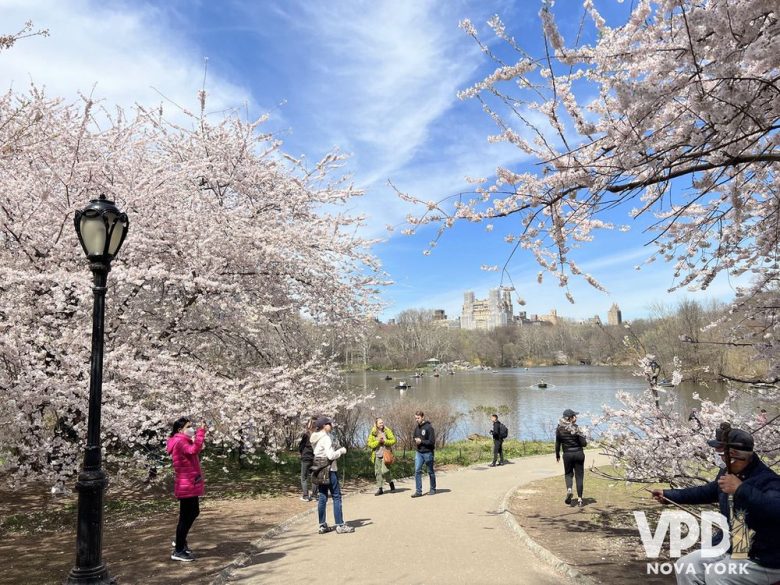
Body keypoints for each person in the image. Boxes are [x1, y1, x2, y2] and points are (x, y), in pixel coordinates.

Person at [651, 426, 780, 585]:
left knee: (717, 575)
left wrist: (741, 489)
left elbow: (775, 510)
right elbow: (707, 491)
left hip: (765, 558)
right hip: (732, 548)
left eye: (720, 453)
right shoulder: (728, 473)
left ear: (733, 455)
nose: (720, 458)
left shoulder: (769, 481)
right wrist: (668, 495)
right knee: (686, 566)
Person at [166, 416, 206, 562]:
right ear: (180, 429)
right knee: (185, 517)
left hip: (189, 483)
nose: (191, 428)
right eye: (188, 426)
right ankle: (178, 550)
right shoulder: (180, 441)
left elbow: (193, 450)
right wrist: (201, 432)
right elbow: (194, 450)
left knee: (194, 512)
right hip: (186, 484)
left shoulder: (182, 440)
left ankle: (180, 541)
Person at [310, 417, 354, 534]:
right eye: (329, 423)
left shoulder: (315, 438)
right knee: (336, 496)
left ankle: (322, 525)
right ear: (324, 425)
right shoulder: (326, 438)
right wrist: (341, 451)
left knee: (322, 496)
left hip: (319, 471)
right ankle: (340, 524)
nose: (331, 425)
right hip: (330, 470)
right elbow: (330, 456)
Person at [555, 408, 587, 508]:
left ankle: (569, 489)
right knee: (579, 476)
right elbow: (584, 444)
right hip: (579, 454)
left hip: (567, 454)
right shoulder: (577, 428)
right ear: (570, 418)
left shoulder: (559, 428)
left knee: (568, 474)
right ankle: (580, 500)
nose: (576, 417)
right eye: (574, 416)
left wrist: (557, 455)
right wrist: (583, 436)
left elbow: (557, 443)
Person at [367, 417, 396, 495]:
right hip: (377, 455)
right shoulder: (373, 433)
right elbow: (369, 444)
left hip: (386, 454)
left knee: (385, 471)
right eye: (380, 423)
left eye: (382, 422)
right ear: (376, 424)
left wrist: (385, 442)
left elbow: (393, 440)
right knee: (378, 473)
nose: (382, 424)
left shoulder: (387, 431)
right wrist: (378, 442)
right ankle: (380, 489)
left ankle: (391, 483)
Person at [411, 410, 437, 497]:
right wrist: (415, 440)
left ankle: (433, 489)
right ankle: (418, 491)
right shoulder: (416, 428)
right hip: (419, 452)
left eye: (418, 418)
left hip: (428, 452)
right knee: (417, 471)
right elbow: (414, 437)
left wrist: (421, 441)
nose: (416, 420)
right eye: (415, 418)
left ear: (422, 417)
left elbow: (432, 442)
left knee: (430, 471)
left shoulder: (429, 427)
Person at [298, 415, 318, 501]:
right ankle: (314, 495)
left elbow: (301, 447)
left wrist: (302, 454)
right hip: (315, 458)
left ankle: (305, 496)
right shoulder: (318, 435)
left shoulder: (306, 435)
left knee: (304, 477)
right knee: (314, 477)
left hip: (306, 457)